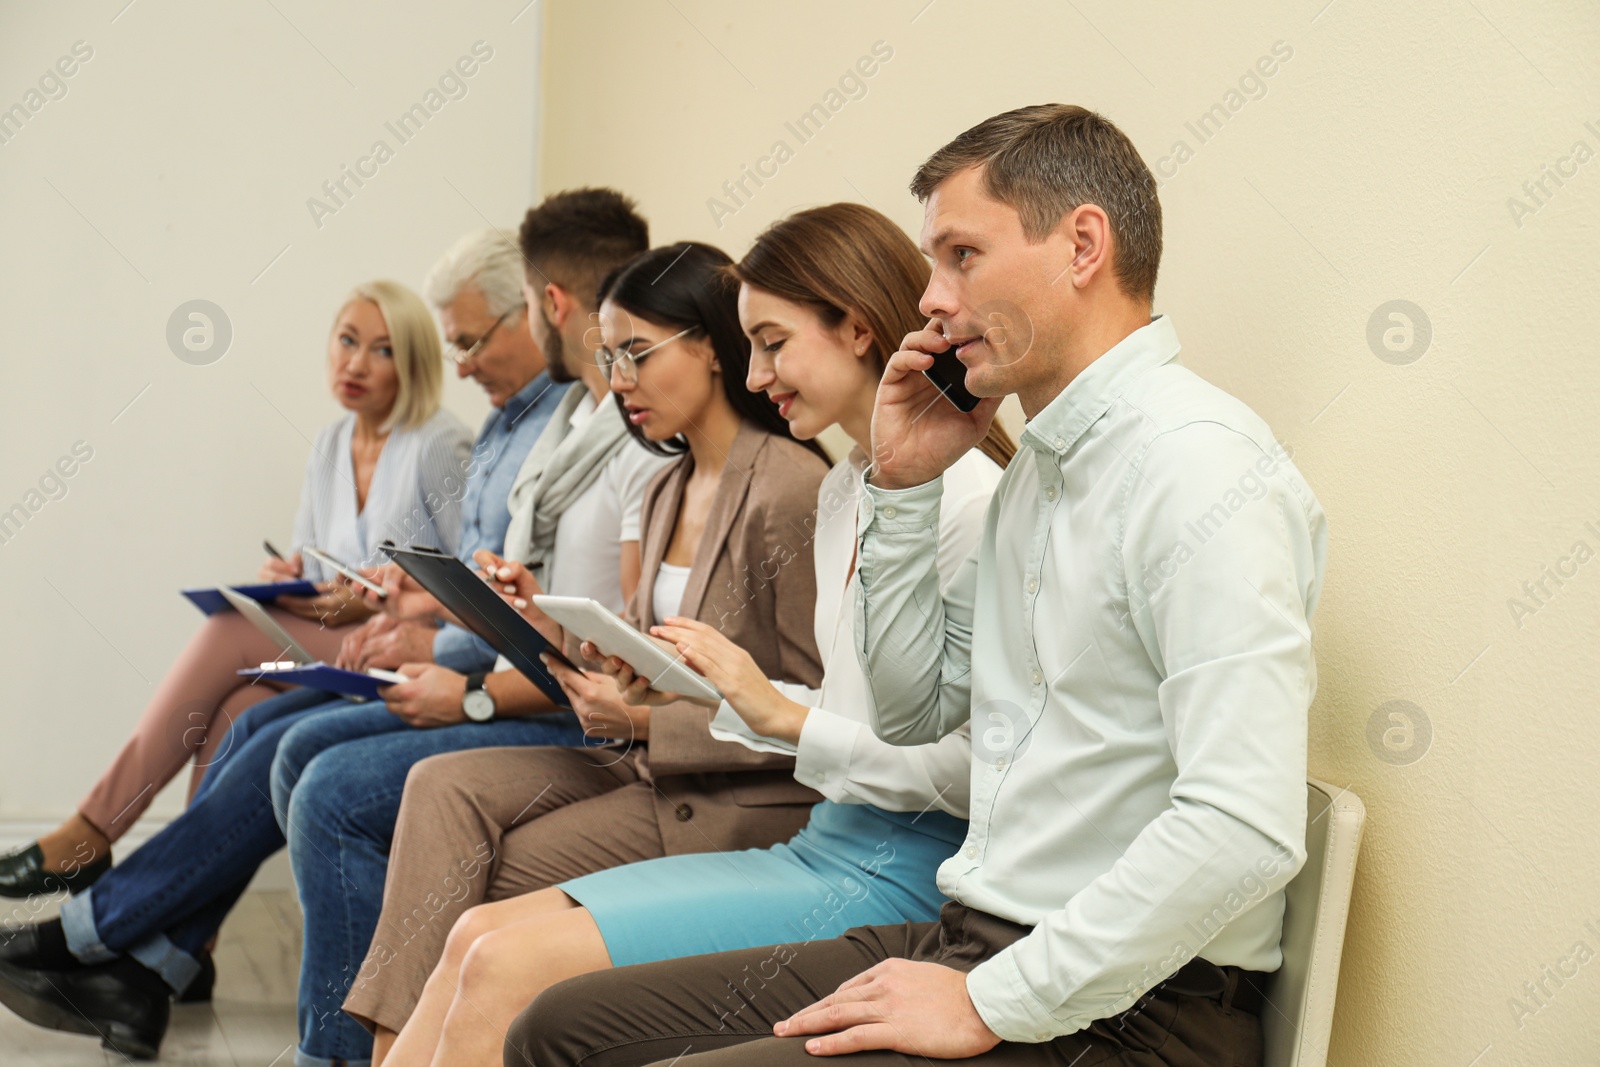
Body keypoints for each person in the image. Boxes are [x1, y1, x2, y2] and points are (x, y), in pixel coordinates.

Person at [508, 104, 1328, 1067]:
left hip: (1134, 1003)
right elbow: (910, 716)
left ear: (1083, 245)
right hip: (980, 934)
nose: (930, 299)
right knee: (559, 1029)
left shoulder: (1199, 468)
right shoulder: (1036, 473)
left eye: (961, 255)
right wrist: (899, 485)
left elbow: (1243, 826)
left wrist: (993, 1001)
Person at [372, 203, 1019, 1067]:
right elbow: (845, 709)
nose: (755, 376)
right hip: (823, 840)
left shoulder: (973, 505)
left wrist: (778, 716)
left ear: (859, 329)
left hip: (896, 870)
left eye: (774, 342)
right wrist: (735, 693)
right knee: (475, 936)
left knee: (499, 961)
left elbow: (978, 772)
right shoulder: (846, 492)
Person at [0, 222, 586, 1061]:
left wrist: (417, 626)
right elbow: (472, 584)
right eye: (345, 341)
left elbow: (497, 599)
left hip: (422, 648)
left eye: (458, 342)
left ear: (540, 313)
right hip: (400, 636)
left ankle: (99, 902)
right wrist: (333, 587)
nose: (458, 364)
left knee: (277, 713)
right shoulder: (487, 432)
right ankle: (162, 961)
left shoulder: (469, 440)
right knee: (240, 709)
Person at [335, 240, 835, 1066]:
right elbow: (634, 665)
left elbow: (814, 712)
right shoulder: (668, 482)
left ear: (711, 346)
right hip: (645, 762)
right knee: (437, 783)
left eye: (637, 354)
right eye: (609, 358)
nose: (621, 380)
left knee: (481, 882)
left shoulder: (786, 488)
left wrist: (642, 722)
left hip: (731, 795)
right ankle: (389, 1051)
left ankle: (397, 1054)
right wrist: (534, 620)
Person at [0, 280, 472, 901]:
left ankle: (87, 834)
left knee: (229, 629)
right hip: (327, 640)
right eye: (347, 341)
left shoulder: (441, 444)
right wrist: (290, 579)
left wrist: (372, 599)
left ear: (411, 361)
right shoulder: (331, 443)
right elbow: (314, 561)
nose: (355, 363)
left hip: (405, 651)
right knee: (231, 716)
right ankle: (183, 942)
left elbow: (466, 589)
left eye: (381, 351)